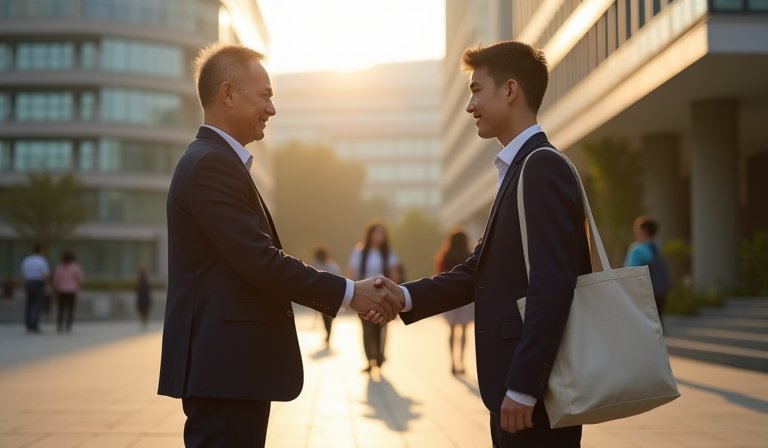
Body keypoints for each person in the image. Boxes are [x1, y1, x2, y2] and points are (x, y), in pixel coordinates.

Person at [157, 43, 403, 448]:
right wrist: (349, 293)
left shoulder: (217, 161)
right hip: (224, 370)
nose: (272, 110)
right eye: (266, 96)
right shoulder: (210, 164)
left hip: (230, 369)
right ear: (229, 94)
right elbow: (259, 262)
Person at [375, 41, 591, 447]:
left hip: (534, 392)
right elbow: (478, 271)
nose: (470, 106)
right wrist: (403, 296)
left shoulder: (540, 167)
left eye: (476, 91)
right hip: (517, 387)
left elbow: (552, 284)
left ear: (510, 90)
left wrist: (525, 387)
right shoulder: (519, 169)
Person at [347, 222, 400, 374]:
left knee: (382, 327)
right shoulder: (359, 252)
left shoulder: (388, 253)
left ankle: (379, 356)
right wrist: (351, 295)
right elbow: (352, 273)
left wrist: (394, 294)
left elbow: (394, 273)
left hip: (383, 295)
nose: (378, 236)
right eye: (376, 233)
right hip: (364, 295)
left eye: (381, 233)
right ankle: (369, 359)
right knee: (366, 328)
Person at [436, 229, 474, 375]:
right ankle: (462, 362)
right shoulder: (469, 256)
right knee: (464, 330)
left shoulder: (445, 256)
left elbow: (440, 275)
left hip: (449, 297)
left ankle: (452, 362)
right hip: (466, 297)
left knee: (452, 330)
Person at [624, 216, 671, 324]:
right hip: (660, 291)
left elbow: (629, 272)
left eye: (637, 230)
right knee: (658, 321)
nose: (635, 233)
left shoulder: (637, 249)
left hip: (643, 292)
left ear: (644, 231)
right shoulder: (657, 247)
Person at [308, 245, 342, 348]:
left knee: (326, 317)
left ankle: (328, 335)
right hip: (325, 296)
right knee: (327, 318)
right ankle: (328, 334)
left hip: (325, 296)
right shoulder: (330, 265)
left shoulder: (317, 265)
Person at [52, 249, 83, 333]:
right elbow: (79, 279)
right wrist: (79, 287)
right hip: (72, 291)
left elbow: (56, 279)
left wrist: (55, 288)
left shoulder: (59, 266)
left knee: (60, 309)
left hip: (61, 290)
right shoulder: (75, 266)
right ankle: (68, 326)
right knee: (70, 309)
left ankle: (59, 326)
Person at [21, 244, 49, 334]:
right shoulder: (42, 261)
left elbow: (23, 272)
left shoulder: (27, 260)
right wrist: (47, 284)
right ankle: (35, 325)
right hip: (38, 283)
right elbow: (45, 274)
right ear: (40, 251)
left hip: (28, 282)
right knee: (37, 305)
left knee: (29, 304)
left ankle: (28, 325)